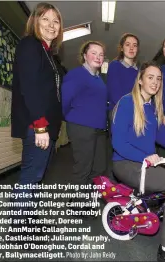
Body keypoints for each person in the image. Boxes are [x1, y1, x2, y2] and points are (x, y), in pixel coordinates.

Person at [111, 61, 165, 262]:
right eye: (150, 77)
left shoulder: (152, 107)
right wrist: (144, 157)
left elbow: (162, 136)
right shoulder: (127, 103)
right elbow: (118, 143)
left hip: (145, 164)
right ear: (140, 80)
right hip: (126, 164)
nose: (155, 82)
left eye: (158, 79)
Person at [10, 2, 64, 229]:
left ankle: (29, 222)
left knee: (36, 178)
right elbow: (30, 89)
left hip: (46, 127)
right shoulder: (30, 45)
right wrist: (41, 127)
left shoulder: (47, 52)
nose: (52, 25)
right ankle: (19, 229)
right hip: (38, 127)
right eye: (45, 20)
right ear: (35, 22)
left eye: (56, 21)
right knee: (30, 177)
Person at [62, 40, 108, 213]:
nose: (98, 56)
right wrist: (70, 117)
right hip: (81, 126)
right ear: (84, 55)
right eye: (93, 53)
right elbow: (65, 100)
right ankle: (78, 204)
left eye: (101, 54)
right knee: (83, 166)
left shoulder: (99, 78)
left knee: (98, 167)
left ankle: (84, 198)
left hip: (98, 128)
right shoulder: (76, 74)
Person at [106, 33, 140, 179]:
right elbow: (115, 93)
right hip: (119, 113)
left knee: (132, 151)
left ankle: (129, 188)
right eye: (128, 44)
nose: (131, 48)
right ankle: (113, 189)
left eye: (134, 45)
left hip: (135, 115)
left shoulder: (139, 71)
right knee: (118, 152)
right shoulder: (114, 66)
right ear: (121, 48)